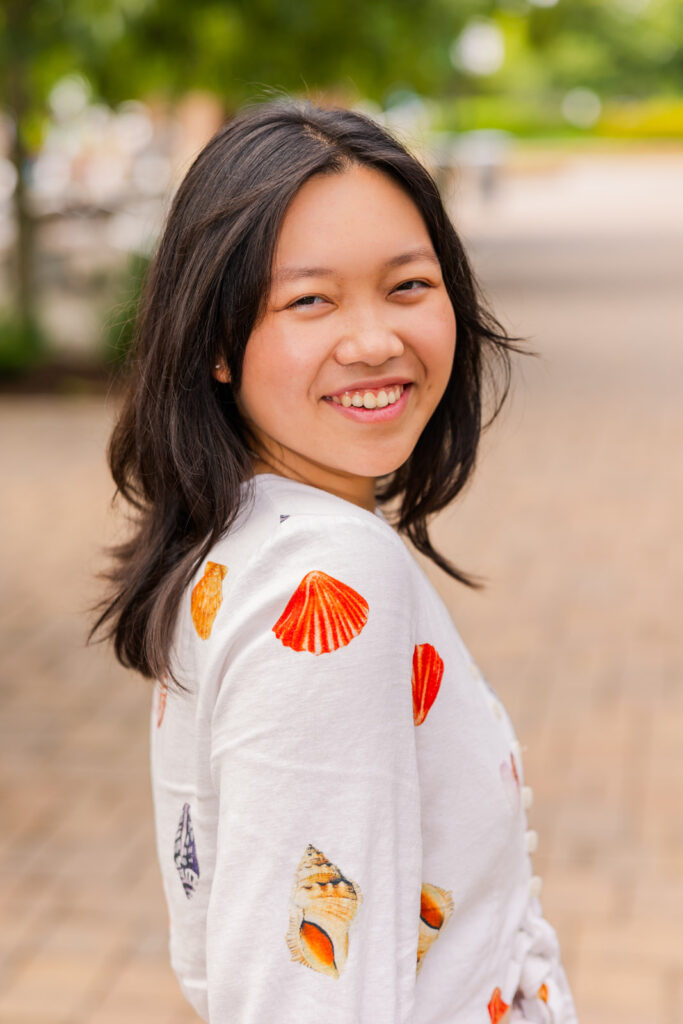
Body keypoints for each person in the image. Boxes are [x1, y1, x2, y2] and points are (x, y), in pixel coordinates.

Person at [94, 100, 578, 1024]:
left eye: (408, 286)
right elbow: (304, 992)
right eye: (309, 300)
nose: (375, 342)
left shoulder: (240, 540)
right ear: (216, 343)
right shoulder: (330, 578)